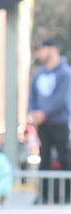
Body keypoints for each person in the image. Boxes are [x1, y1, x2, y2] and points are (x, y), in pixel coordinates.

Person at [28, 37, 70, 203]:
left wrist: (45, 112)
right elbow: (32, 97)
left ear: (52, 49)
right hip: (43, 125)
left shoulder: (65, 73)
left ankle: (67, 195)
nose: (40, 53)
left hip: (59, 123)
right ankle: (44, 195)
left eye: (42, 49)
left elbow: (62, 98)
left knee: (64, 157)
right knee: (43, 158)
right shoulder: (39, 74)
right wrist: (33, 113)